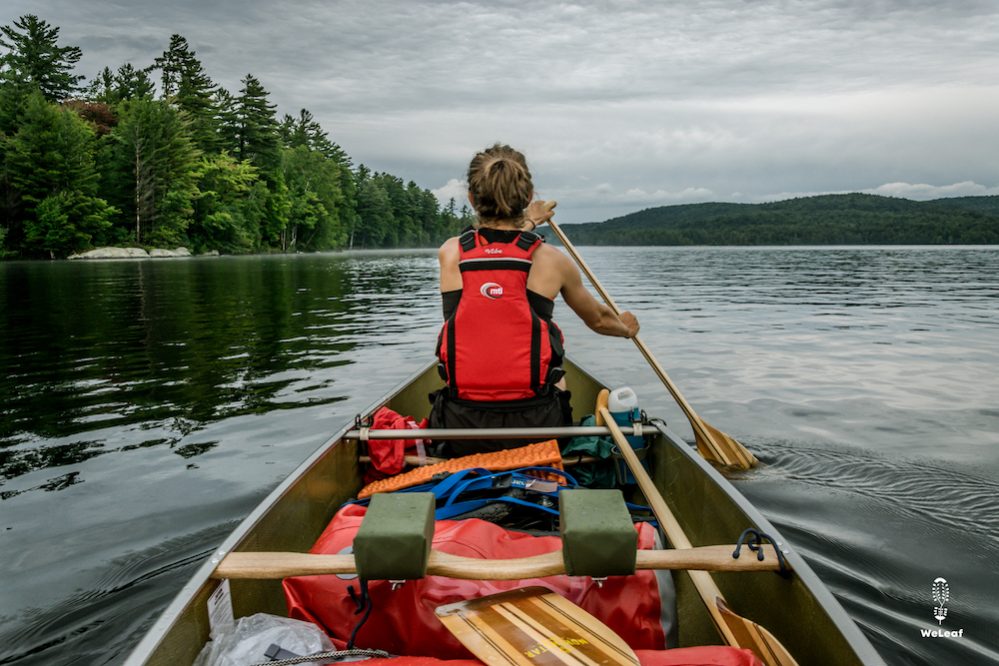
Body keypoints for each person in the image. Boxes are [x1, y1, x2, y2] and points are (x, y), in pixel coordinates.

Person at [430, 144, 639, 456]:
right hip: (539, 428)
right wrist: (625, 328)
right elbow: (598, 320)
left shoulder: (450, 252)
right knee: (556, 368)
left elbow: (488, 247)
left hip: (461, 426)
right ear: (527, 197)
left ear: (472, 199)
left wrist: (529, 222)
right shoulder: (553, 260)